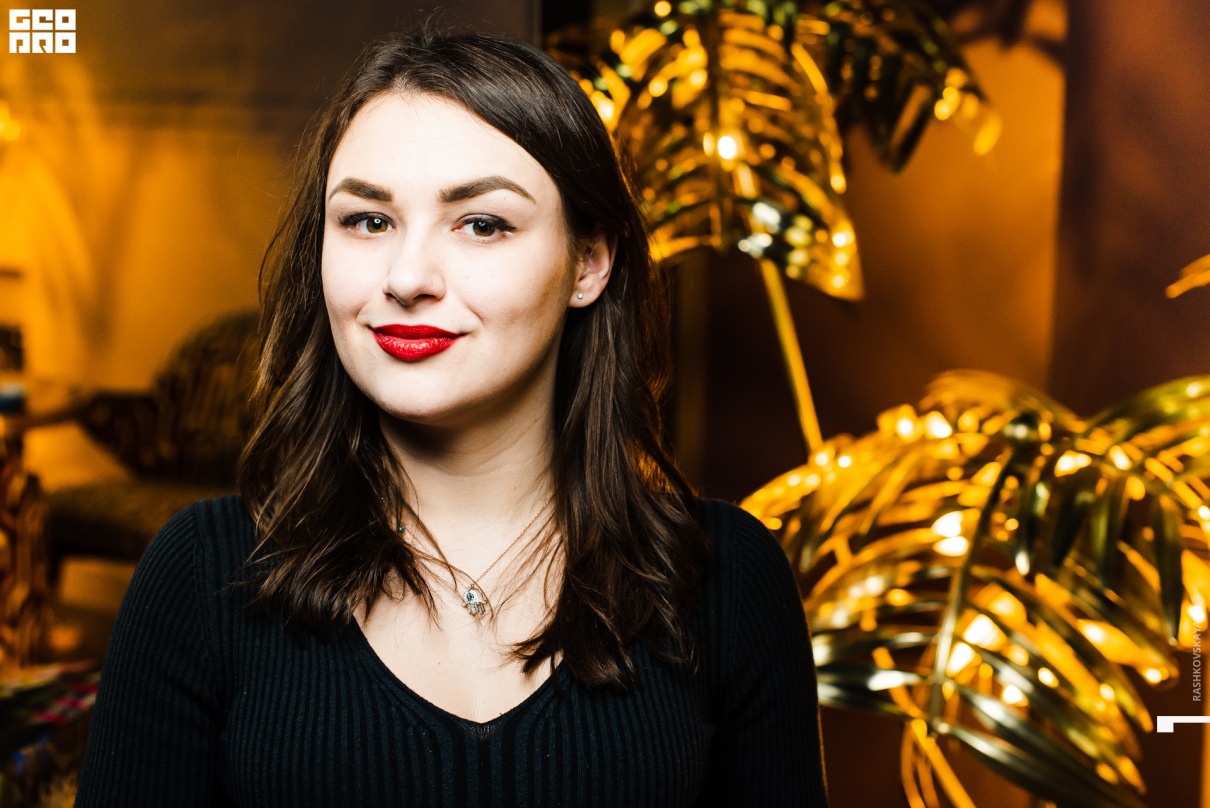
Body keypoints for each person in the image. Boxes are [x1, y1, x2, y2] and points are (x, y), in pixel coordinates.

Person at [75, 25, 828, 807]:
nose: (407, 278)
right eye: (368, 221)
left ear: (589, 263)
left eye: (481, 224)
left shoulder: (727, 582)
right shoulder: (202, 576)